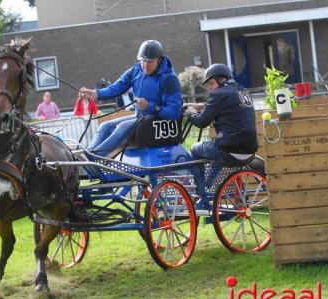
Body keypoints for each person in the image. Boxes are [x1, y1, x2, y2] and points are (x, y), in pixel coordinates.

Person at [81, 40, 182, 157]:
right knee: (105, 126)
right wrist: (95, 94)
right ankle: (88, 155)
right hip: (139, 118)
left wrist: (149, 106)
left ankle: (95, 158)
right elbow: (117, 87)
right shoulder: (136, 70)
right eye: (143, 61)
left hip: (155, 122)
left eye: (150, 61)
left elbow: (174, 113)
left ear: (159, 59)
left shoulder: (169, 79)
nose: (146, 65)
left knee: (123, 126)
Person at [184, 63, 258, 208]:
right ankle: (207, 184)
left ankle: (202, 196)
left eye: (211, 83)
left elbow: (200, 122)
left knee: (194, 148)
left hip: (229, 152)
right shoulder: (243, 92)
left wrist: (190, 111)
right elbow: (222, 106)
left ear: (222, 80)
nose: (209, 88)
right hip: (249, 152)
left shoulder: (219, 95)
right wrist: (199, 106)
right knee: (217, 145)